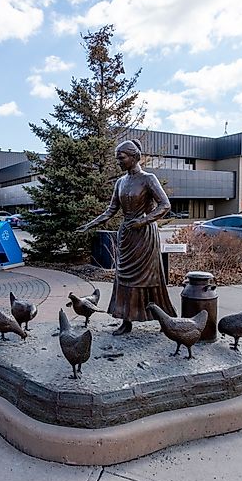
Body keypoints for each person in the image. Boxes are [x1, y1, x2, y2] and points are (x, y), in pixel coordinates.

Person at [77, 139, 176, 335]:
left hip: (145, 235)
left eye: (121, 158)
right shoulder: (121, 182)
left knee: (149, 277)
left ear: (133, 157)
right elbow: (111, 210)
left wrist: (143, 221)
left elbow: (165, 205)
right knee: (123, 277)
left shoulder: (149, 179)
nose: (119, 162)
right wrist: (89, 225)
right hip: (127, 236)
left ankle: (162, 317)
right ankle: (126, 319)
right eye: (117, 159)